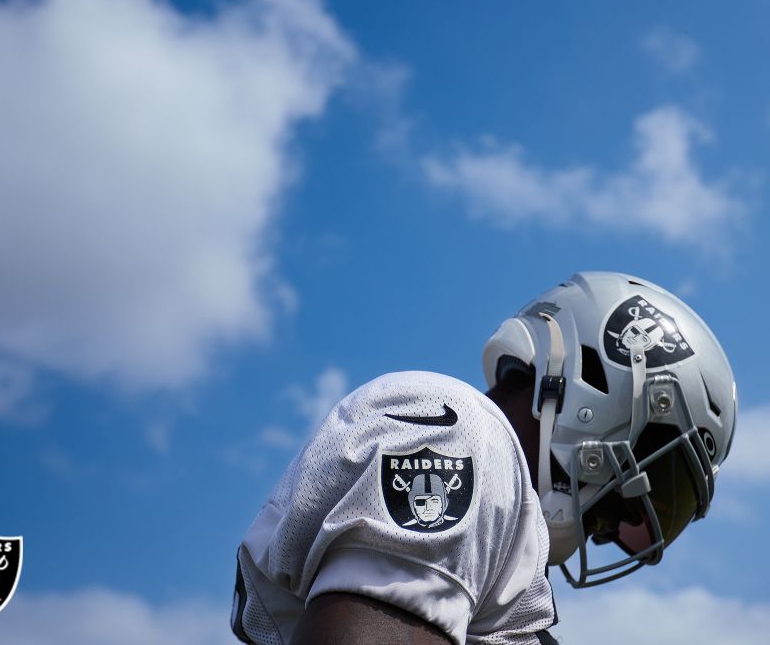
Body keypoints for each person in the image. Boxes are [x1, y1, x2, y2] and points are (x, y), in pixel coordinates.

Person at [230, 272, 738, 645]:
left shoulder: (505, 555)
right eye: (655, 470)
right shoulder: (464, 431)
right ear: (599, 388)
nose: (624, 519)